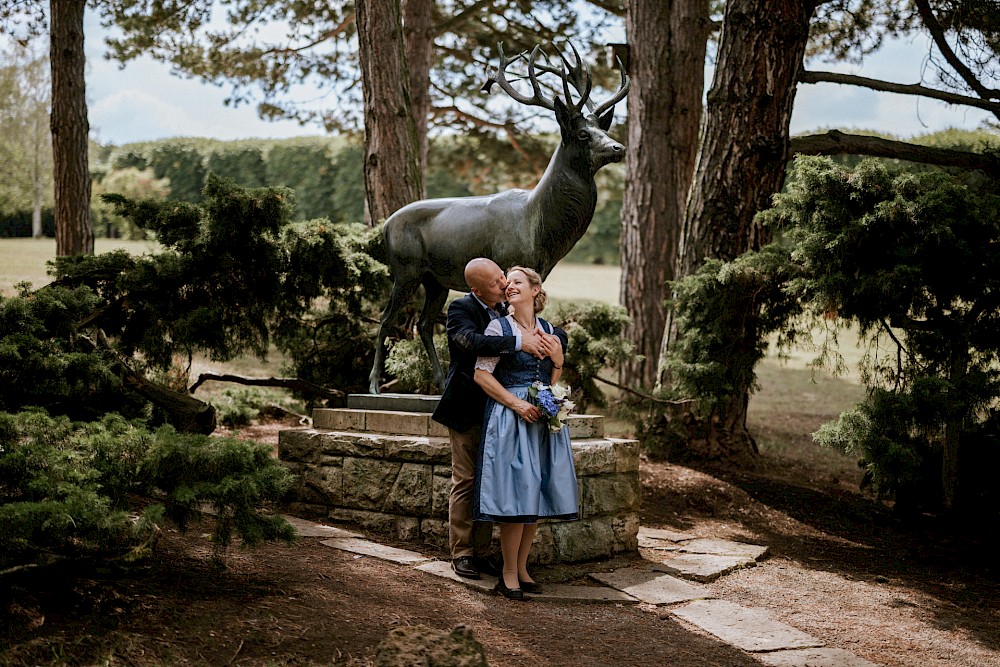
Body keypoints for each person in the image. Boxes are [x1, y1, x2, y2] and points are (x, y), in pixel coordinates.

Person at [431, 258, 555, 580]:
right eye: (496, 282)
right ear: (476, 290)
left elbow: (545, 335)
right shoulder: (461, 309)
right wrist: (519, 342)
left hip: (501, 413)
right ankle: (462, 552)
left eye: (503, 277)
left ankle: (483, 552)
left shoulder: (505, 309)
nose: (504, 284)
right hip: (467, 408)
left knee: (491, 480)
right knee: (467, 479)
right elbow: (468, 342)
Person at [473, 266, 578, 600]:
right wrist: (516, 404)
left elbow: (549, 379)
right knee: (516, 494)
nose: (510, 286)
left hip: (541, 420)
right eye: (508, 282)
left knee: (534, 493)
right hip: (510, 418)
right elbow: (481, 375)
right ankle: (507, 573)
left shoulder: (548, 330)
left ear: (535, 289)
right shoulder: (498, 328)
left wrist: (558, 361)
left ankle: (521, 568)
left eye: (517, 281)